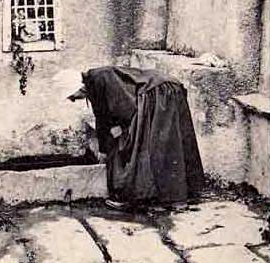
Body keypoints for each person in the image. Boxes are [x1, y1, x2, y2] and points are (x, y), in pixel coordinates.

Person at [68, 65, 204, 207]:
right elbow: (103, 117)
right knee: (163, 142)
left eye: (73, 96)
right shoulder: (95, 82)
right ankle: (177, 194)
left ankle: (162, 197)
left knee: (155, 144)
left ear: (77, 88)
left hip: (160, 91)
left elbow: (124, 108)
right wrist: (103, 147)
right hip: (162, 89)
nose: (75, 99)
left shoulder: (100, 78)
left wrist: (119, 129)